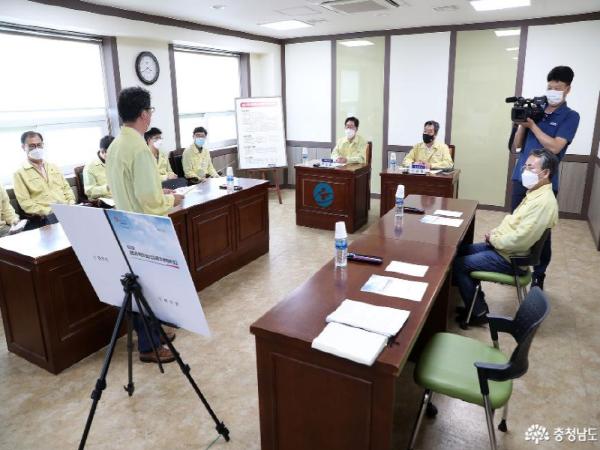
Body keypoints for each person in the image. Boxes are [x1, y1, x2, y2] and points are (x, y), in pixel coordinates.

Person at [106, 86, 183, 364]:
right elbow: (149, 200)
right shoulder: (139, 148)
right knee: (148, 287)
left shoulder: (116, 145)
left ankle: (154, 333)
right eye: (150, 110)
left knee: (142, 284)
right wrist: (172, 199)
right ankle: (149, 347)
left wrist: (158, 193)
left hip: (125, 224)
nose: (150, 115)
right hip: (144, 228)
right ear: (143, 114)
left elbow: (131, 188)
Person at [453, 149, 559, 326]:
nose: (525, 172)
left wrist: (494, 240)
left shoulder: (543, 203)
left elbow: (521, 240)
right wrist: (495, 235)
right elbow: (512, 223)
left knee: (459, 264)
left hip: (511, 258)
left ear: (546, 173)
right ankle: (473, 303)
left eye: (531, 168)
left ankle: (478, 312)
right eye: (525, 167)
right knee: (458, 251)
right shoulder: (535, 193)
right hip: (504, 249)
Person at [510, 66, 580, 290]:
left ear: (567, 89)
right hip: (522, 177)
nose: (552, 92)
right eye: (549, 87)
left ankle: (539, 275)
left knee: (541, 231)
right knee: (516, 224)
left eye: (557, 88)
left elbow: (555, 146)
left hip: (545, 183)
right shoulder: (535, 109)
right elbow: (516, 146)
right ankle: (516, 267)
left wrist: (533, 126)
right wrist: (522, 125)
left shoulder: (570, 116)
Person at [13, 131, 75, 230]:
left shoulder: (53, 167)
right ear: (23, 147)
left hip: (67, 209)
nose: (36, 149)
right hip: (46, 216)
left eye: (39, 145)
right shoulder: (19, 173)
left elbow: (66, 188)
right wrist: (48, 211)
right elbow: (25, 203)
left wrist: (71, 203)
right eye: (32, 146)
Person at [83, 135, 114, 201]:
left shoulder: (116, 161)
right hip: (104, 201)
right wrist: (107, 187)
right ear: (103, 151)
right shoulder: (90, 167)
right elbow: (89, 191)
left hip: (119, 197)